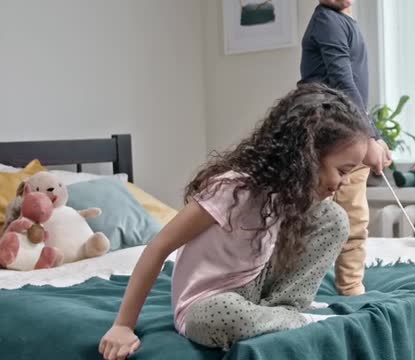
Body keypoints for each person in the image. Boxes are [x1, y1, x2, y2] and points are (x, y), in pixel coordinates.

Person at [97, 83, 371, 359]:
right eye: (342, 171)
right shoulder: (231, 190)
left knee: (333, 218)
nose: (343, 183)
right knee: (224, 315)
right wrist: (122, 325)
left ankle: (286, 310)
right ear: (307, 157)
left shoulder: (288, 191)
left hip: (259, 288)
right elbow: (158, 247)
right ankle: (292, 320)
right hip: (211, 303)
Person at [300, 0, 392, 296]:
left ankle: (351, 288)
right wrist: (370, 137)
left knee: (355, 218)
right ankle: (297, 290)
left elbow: (351, 87)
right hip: (328, 136)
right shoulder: (326, 20)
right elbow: (342, 81)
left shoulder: (344, 22)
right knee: (315, 219)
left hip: (350, 132)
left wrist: (371, 137)